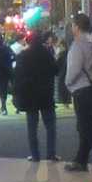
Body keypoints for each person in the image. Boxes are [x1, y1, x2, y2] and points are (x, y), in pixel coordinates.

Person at [60, 11, 92, 173]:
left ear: (76, 27)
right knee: (87, 125)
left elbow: (74, 69)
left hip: (81, 89)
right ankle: (81, 159)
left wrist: (67, 83)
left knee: (85, 128)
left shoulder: (78, 45)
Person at [12, 26, 60, 168]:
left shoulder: (23, 56)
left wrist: (16, 94)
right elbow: (56, 71)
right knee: (50, 126)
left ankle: (35, 155)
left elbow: (17, 77)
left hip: (30, 96)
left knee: (32, 127)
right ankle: (51, 154)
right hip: (46, 96)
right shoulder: (47, 54)